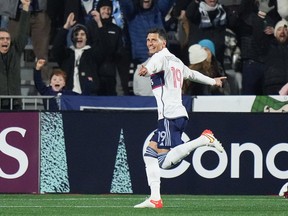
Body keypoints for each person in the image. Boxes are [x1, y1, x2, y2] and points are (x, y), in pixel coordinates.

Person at [134, 28, 225, 208]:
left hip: (168, 115)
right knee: (149, 154)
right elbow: (192, 74)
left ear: (163, 43)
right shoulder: (175, 60)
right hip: (177, 113)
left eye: (153, 40)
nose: (150, 43)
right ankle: (155, 198)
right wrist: (212, 81)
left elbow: (153, 65)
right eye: (148, 40)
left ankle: (203, 139)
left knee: (164, 162)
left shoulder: (159, 58)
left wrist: (146, 68)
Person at [51, 12, 107, 95]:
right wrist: (66, 27)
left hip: (88, 95)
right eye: (76, 34)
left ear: (87, 38)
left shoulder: (92, 54)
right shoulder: (67, 54)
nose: (79, 37)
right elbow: (56, 49)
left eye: (82, 34)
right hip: (68, 95)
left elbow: (104, 45)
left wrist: (99, 22)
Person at [8, 0, 52, 82]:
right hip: (17, 13)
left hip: (39, 12)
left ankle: (45, 87)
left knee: (42, 54)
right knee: (12, 52)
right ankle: (9, 84)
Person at [86, 0, 124, 95]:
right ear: (98, 10)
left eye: (109, 9)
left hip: (110, 73)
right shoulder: (90, 27)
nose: (106, 11)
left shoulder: (116, 29)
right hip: (94, 72)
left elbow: (115, 49)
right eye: (104, 9)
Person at [0, 0, 30, 110]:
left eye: (7, 39)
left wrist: (26, 7)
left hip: (15, 103)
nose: (5, 41)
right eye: (2, 39)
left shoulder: (15, 50)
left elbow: (23, 31)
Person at [261, 19, 288, 94]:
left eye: (285, 30)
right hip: (272, 86)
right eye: (279, 29)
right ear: (275, 33)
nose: (282, 32)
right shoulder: (267, 45)